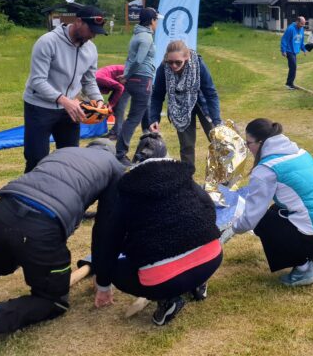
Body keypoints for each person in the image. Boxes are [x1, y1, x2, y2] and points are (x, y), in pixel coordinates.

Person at [0, 140, 123, 355]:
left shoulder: (64, 151)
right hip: (41, 228)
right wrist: (103, 282)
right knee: (53, 302)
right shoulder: (114, 167)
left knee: (4, 258)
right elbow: (105, 231)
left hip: (1, 212)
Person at [93, 134, 222, 326]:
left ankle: (169, 299)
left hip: (164, 280)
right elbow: (209, 207)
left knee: (116, 269)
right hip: (211, 259)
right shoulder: (185, 178)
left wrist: (103, 285)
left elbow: (109, 241)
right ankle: (198, 283)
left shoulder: (126, 191)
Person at [226, 118, 313, 286]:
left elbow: (252, 217)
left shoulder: (265, 170)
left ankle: (304, 270)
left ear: (260, 143)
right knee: (277, 210)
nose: (248, 148)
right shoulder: (300, 153)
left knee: (264, 220)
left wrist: (232, 228)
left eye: (248, 143)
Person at [22, 6, 107, 172]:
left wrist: (98, 100)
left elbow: (89, 80)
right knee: (36, 159)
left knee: (70, 158)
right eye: (91, 30)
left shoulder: (91, 49)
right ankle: (30, 188)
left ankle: (62, 188)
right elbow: (37, 81)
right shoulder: (48, 42)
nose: (93, 35)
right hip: (39, 107)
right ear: (78, 21)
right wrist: (64, 100)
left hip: (71, 109)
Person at [148, 40, 221, 168]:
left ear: (186, 57)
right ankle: (188, 177)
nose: (173, 65)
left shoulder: (198, 64)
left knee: (218, 140)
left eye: (178, 62)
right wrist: (154, 118)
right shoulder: (163, 68)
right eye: (170, 62)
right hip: (179, 108)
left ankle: (223, 175)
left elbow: (211, 93)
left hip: (202, 104)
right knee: (187, 146)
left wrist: (216, 120)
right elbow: (157, 95)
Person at [116, 8, 161, 164]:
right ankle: (120, 154)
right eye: (156, 20)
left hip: (136, 80)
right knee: (133, 119)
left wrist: (127, 75)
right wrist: (126, 76)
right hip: (142, 80)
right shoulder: (146, 38)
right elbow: (138, 60)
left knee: (147, 112)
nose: (157, 23)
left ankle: (151, 143)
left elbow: (131, 59)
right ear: (152, 21)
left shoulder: (137, 35)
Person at [95, 65, 126, 141]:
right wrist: (110, 104)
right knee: (113, 105)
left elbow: (120, 88)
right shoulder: (96, 80)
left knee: (118, 107)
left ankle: (117, 134)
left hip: (127, 79)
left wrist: (111, 105)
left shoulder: (99, 79)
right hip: (120, 82)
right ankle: (120, 130)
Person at [280, 16, 306, 90]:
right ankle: (289, 84)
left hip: (294, 51)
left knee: (293, 67)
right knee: (293, 66)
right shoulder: (290, 29)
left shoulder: (302, 29)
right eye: (301, 24)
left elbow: (301, 40)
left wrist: (304, 49)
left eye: (303, 24)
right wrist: (283, 50)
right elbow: (284, 39)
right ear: (297, 22)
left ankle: (290, 83)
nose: (302, 26)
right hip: (289, 50)